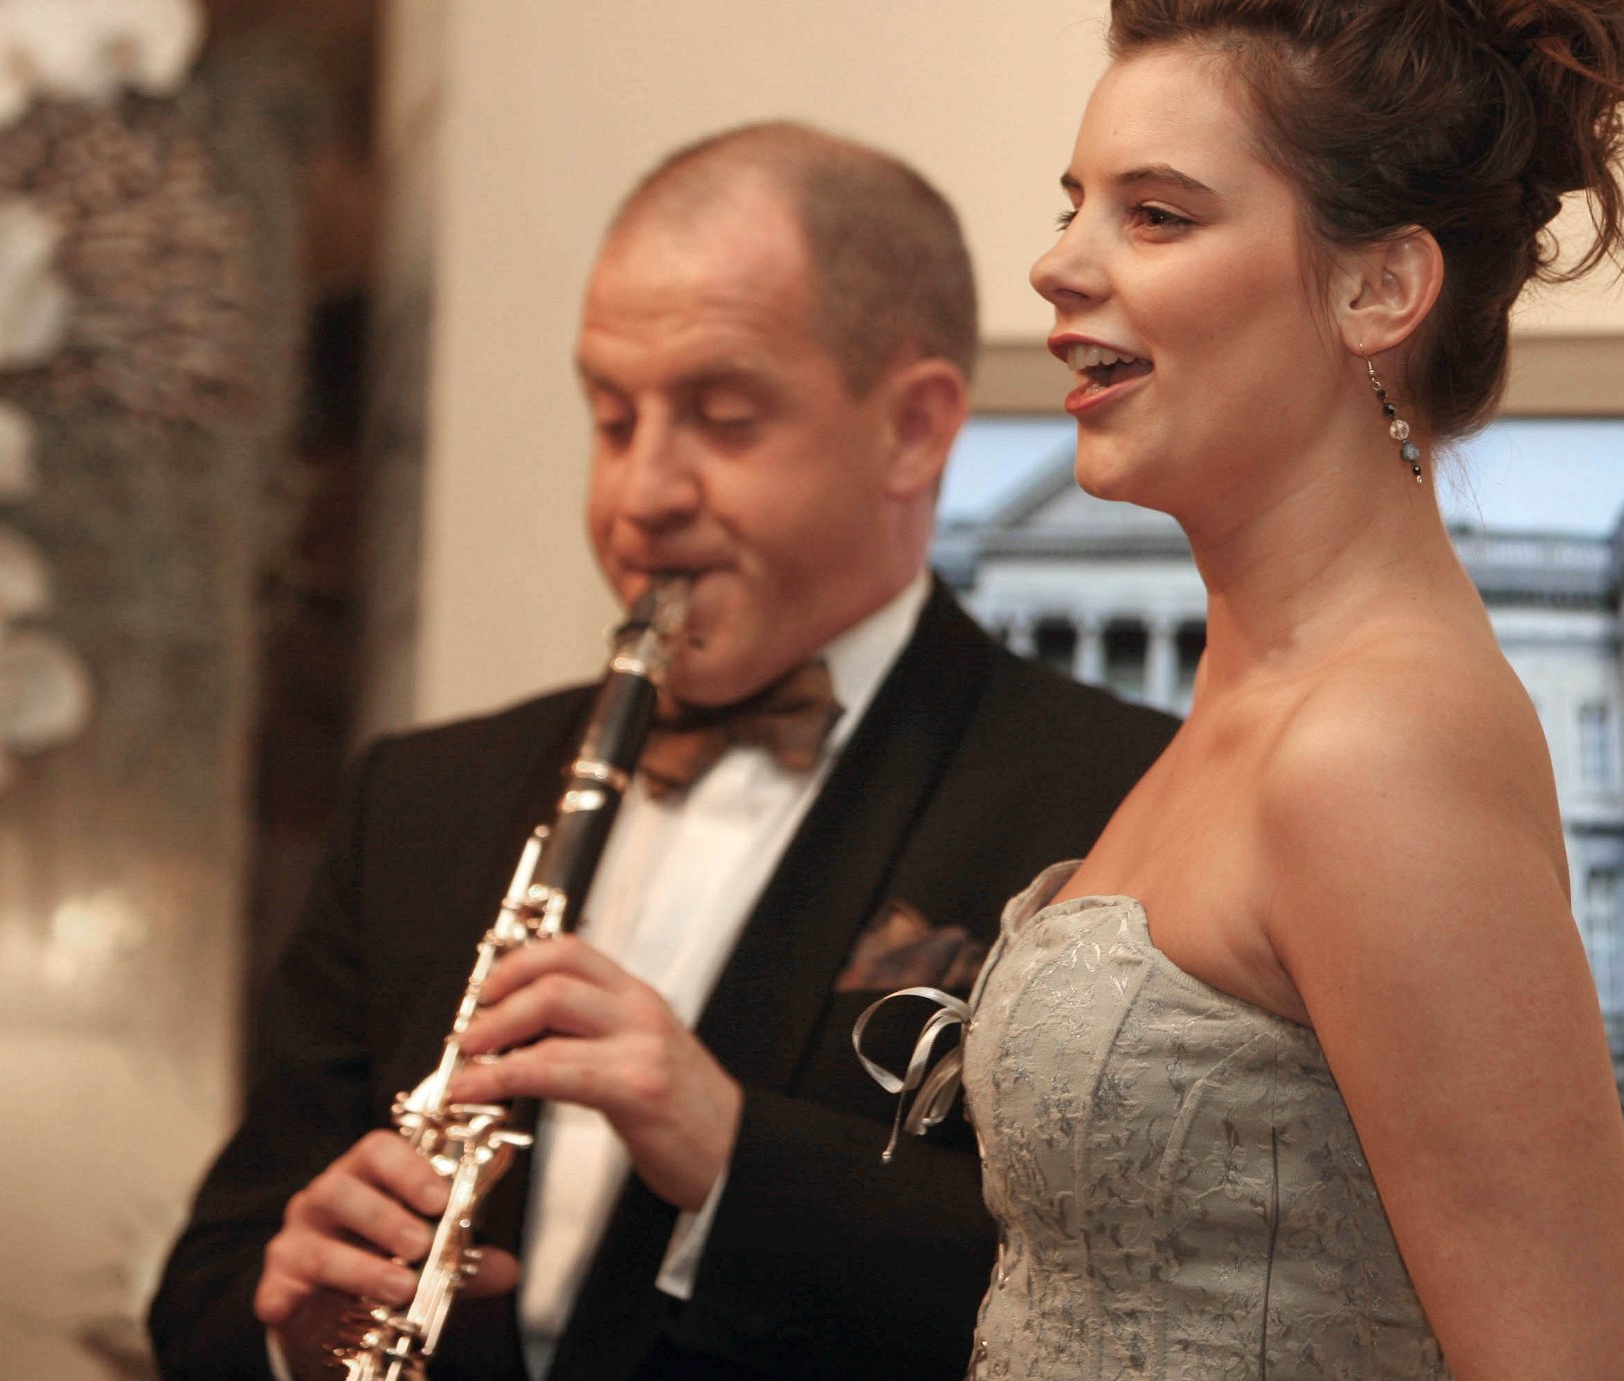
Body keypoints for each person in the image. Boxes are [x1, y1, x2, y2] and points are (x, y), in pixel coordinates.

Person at [148, 122, 1177, 1381]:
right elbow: (205, 1284)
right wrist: (286, 1329)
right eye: (610, 414)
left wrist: (736, 1157)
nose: (639, 495)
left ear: (913, 429)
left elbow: (1136, 1305)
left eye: (722, 417)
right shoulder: (418, 801)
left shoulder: (1120, 801)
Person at [931, 0, 1624, 1378]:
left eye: (1155, 212)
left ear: (1379, 287)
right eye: (1072, 202)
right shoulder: (1252, 702)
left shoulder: (1378, 745)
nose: (1060, 263)